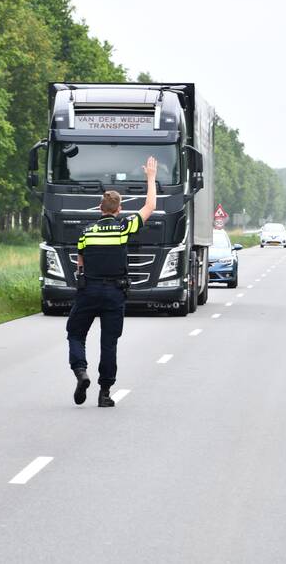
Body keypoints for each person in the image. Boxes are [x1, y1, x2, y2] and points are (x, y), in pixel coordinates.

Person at [67, 156, 158, 407]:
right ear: (119, 210)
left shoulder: (87, 232)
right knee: (109, 342)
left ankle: (81, 371)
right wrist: (150, 177)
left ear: (100, 209)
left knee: (75, 333)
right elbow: (149, 207)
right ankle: (104, 392)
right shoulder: (123, 228)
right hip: (115, 292)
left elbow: (80, 263)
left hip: (88, 291)